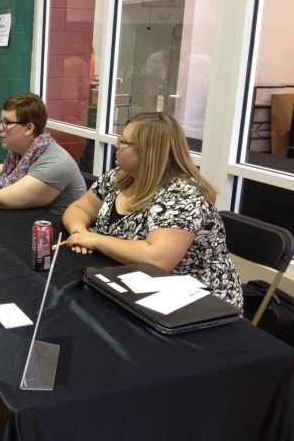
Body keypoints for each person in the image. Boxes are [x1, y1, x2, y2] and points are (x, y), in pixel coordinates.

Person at [63, 112, 243, 309]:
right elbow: (80, 208)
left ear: (148, 151)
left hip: (194, 303)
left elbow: (156, 259)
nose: (117, 144)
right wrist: (79, 231)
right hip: (131, 285)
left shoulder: (182, 194)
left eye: (124, 141)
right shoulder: (120, 177)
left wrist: (95, 240)